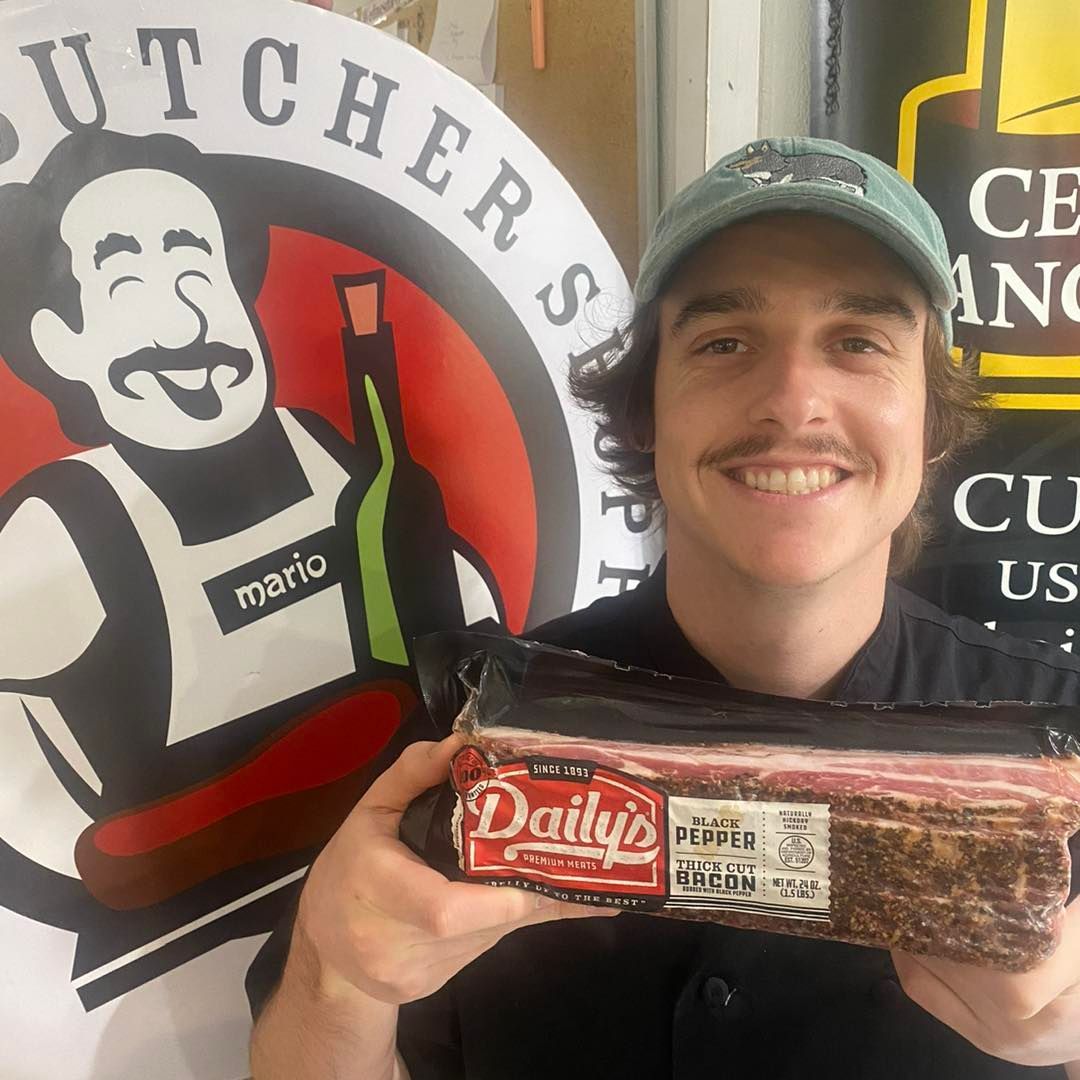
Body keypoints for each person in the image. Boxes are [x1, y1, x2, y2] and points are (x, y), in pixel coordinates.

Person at [246, 136, 1080, 1079]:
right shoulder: (475, 729)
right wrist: (334, 984)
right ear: (645, 411)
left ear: (930, 419)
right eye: (725, 343)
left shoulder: (1061, 752)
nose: (794, 399)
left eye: (859, 342)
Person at [0, 129, 497, 961]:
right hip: (173, 958)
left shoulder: (319, 448)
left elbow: (461, 594)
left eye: (201, 272)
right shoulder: (64, 528)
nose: (188, 319)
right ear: (61, 342)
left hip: (406, 905)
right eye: (127, 285)